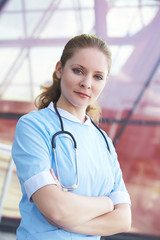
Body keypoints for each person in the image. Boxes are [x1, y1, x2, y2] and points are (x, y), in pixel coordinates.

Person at [12, 34, 131, 240]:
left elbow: (123, 220)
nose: (86, 83)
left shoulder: (104, 142)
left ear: (105, 82)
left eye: (97, 76)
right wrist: (106, 203)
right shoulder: (33, 126)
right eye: (78, 71)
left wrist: (66, 217)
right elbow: (57, 209)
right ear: (60, 69)